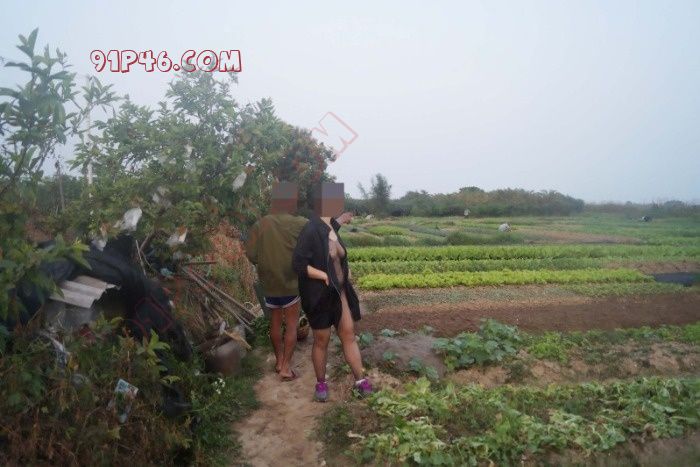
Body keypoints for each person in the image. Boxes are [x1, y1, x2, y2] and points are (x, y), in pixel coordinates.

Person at [292, 182, 372, 401]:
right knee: (321, 340)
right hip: (319, 295)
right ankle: (321, 384)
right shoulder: (310, 229)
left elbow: (331, 233)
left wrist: (341, 220)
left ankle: (361, 381)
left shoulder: (330, 227)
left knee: (349, 335)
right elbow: (298, 264)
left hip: (339, 293)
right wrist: (323, 275)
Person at [245, 182, 308, 381]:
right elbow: (310, 249)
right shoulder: (301, 223)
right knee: (291, 325)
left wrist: (266, 261)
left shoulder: (260, 224)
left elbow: (251, 255)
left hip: (269, 283)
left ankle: (279, 361)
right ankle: (286, 368)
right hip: (290, 282)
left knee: (274, 322)